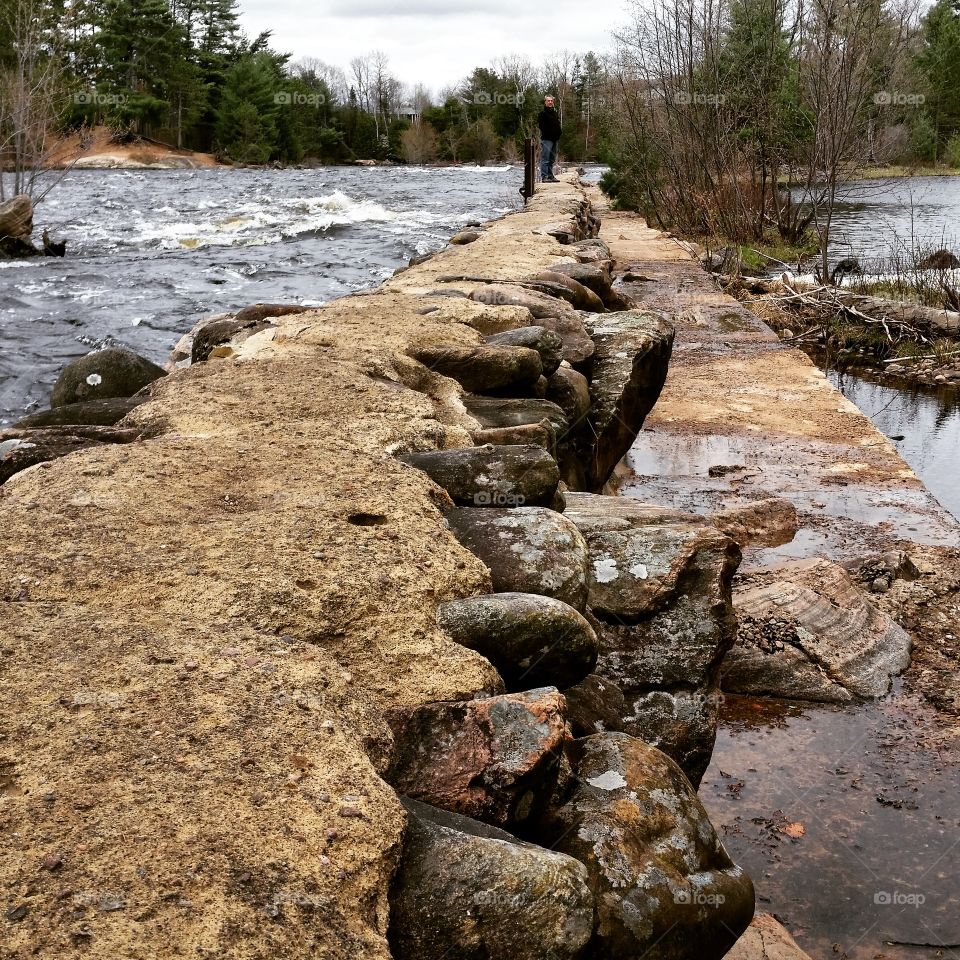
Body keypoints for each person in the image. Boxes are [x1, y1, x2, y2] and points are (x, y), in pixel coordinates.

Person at [538, 95, 562, 183]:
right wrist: (550, 134)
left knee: (551, 159)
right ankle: (544, 177)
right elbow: (542, 127)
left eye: (551, 101)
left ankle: (550, 176)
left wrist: (559, 133)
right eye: (548, 101)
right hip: (547, 139)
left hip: (554, 139)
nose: (550, 102)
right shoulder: (542, 114)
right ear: (545, 102)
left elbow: (557, 125)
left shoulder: (555, 113)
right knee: (545, 158)